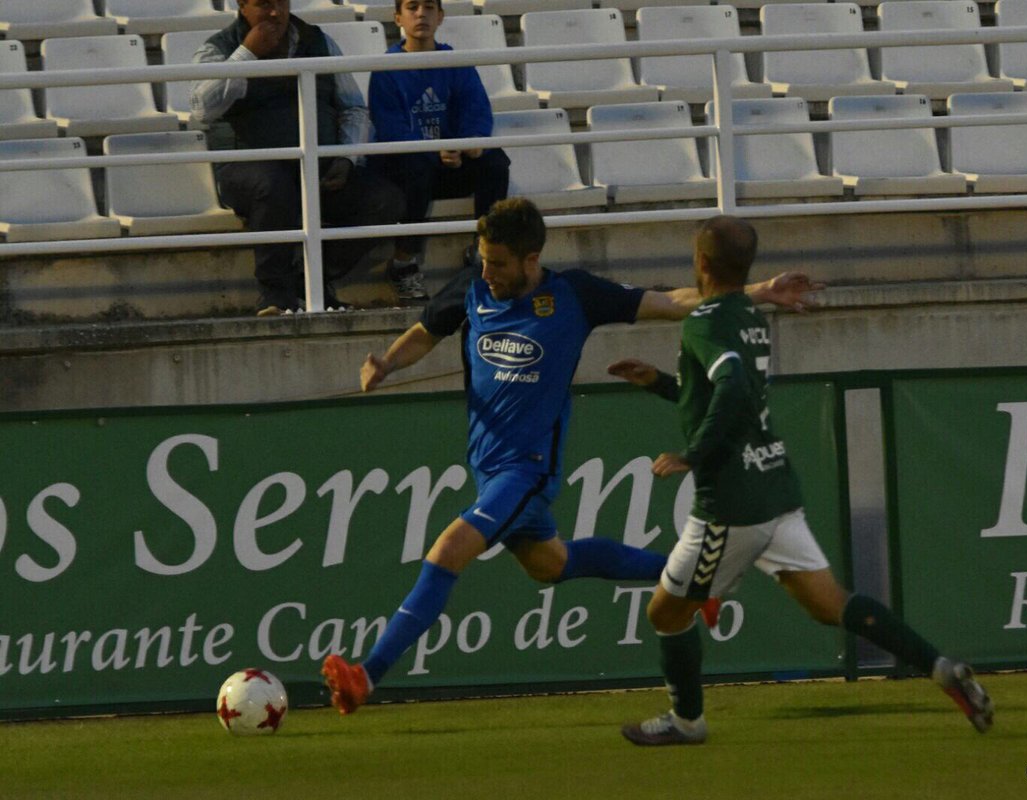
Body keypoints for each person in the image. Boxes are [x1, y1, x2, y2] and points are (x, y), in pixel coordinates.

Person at [321, 198, 820, 713]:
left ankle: (366, 676)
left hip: (527, 470)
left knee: (448, 552)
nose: (486, 271)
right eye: (484, 259)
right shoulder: (472, 288)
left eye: (497, 262)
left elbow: (670, 302)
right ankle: (698, 582)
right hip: (487, 466)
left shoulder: (576, 294)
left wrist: (756, 291)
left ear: (531, 260)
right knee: (551, 564)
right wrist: (387, 362)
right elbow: (427, 332)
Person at [607, 216, 994, 746]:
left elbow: (734, 388)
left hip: (732, 503)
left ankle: (687, 722)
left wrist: (695, 454)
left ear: (699, 263)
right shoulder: (748, 314)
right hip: (773, 489)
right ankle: (940, 666)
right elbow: (722, 393)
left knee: (665, 611)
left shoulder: (703, 322)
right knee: (828, 603)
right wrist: (658, 383)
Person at [191, 0, 407, 316]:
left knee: (385, 200)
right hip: (246, 168)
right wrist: (246, 55)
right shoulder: (218, 47)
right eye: (265, 4)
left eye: (282, 3)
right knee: (273, 184)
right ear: (241, 5)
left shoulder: (319, 42)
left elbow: (353, 108)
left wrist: (346, 158)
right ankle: (275, 296)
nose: (276, 13)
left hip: (316, 166)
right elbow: (201, 109)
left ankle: (310, 281)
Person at [368, 0, 512, 300]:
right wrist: (433, 152)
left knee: (495, 161)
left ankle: (484, 253)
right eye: (412, 7)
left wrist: (471, 141)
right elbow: (390, 128)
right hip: (407, 169)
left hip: (451, 162)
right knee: (416, 169)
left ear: (440, 16)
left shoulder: (455, 62)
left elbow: (476, 109)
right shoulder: (386, 68)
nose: (421, 14)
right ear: (398, 18)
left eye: (429, 7)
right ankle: (403, 263)